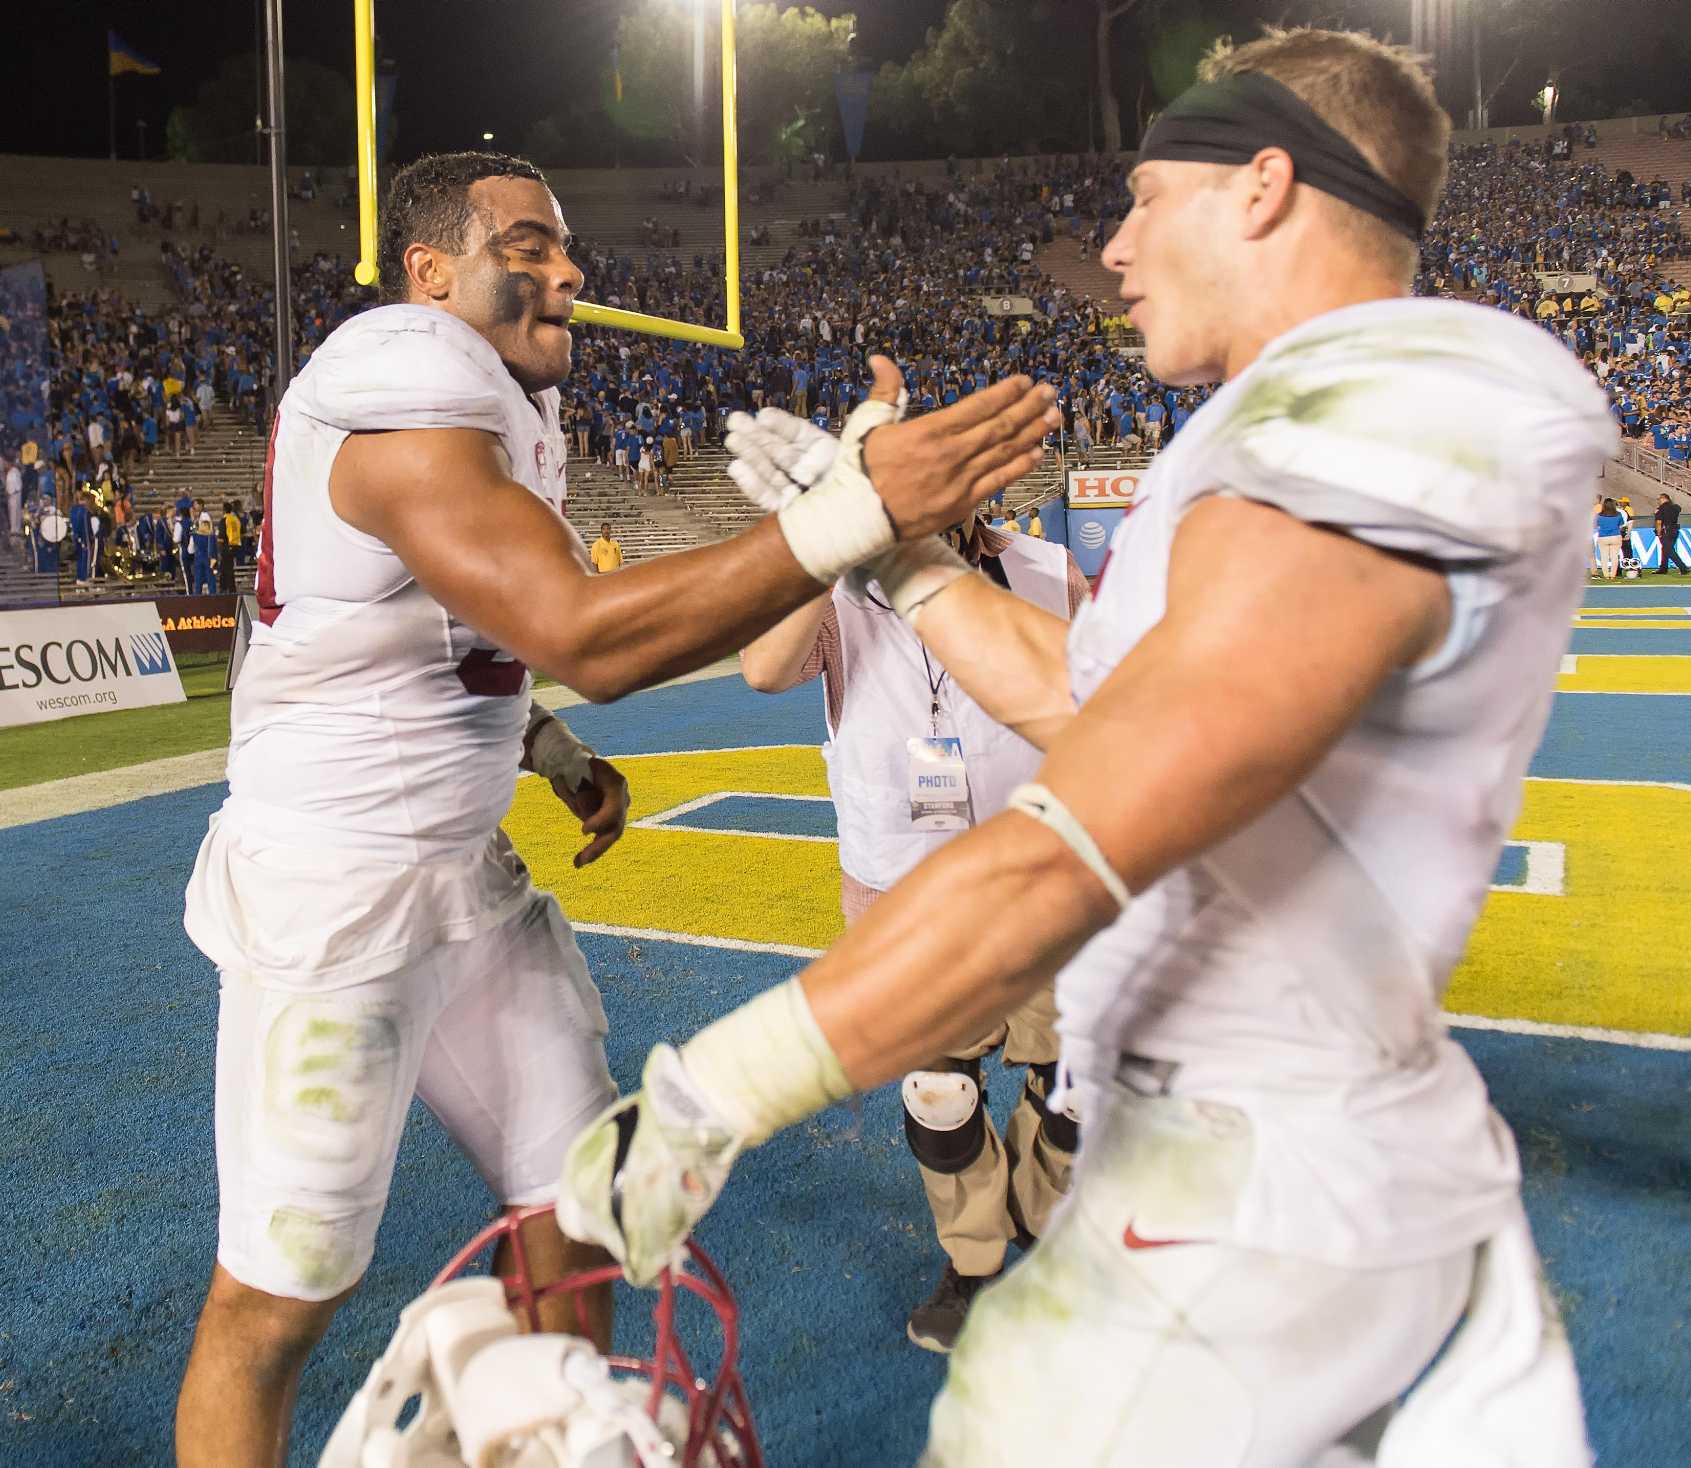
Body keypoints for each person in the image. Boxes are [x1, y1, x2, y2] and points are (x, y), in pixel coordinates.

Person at [563, 30, 1609, 1466]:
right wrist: (898, 562)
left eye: (1141, 200)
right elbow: (1095, 703)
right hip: (1261, 1173)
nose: (1109, 249)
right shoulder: (1284, 426)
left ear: (1260, 185)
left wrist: (708, 1097)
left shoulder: (1382, 400)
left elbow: (1083, 828)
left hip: (1259, 1205)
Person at [177, 149, 1058, 1468]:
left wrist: (541, 745)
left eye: (563, 246)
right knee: (276, 1301)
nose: (569, 269)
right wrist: (849, 515)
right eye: (525, 245)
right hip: (336, 896)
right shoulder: (401, 371)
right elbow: (576, 626)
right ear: (428, 276)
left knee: (584, 1208)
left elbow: (394, 634)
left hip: (459, 872)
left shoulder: (499, 405)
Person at [738, 508, 1089, 1353]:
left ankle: (1044, 1223)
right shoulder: (835, 595)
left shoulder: (1046, 569)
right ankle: (971, 1259)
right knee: (940, 1096)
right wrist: (825, 544)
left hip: (1044, 879)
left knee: (1078, 1089)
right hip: (909, 899)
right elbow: (763, 671)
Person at [1653, 493, 1686, 574]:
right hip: (1674, 530)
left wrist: (1659, 532)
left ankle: (1683, 568)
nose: (1658, 501)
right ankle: (1663, 568)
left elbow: (1659, 522)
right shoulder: (1675, 507)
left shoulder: (1661, 509)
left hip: (1666, 531)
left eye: (1659, 499)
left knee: (1669, 550)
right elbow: (1678, 509)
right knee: (1665, 549)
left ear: (1663, 499)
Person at [1594, 496, 1625, 578]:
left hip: (1603, 537)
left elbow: (1596, 526)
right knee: (1614, 556)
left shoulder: (1599, 515)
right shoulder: (1618, 514)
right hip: (1616, 536)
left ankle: (1606, 575)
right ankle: (1613, 575)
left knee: (1604, 557)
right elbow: (1621, 526)